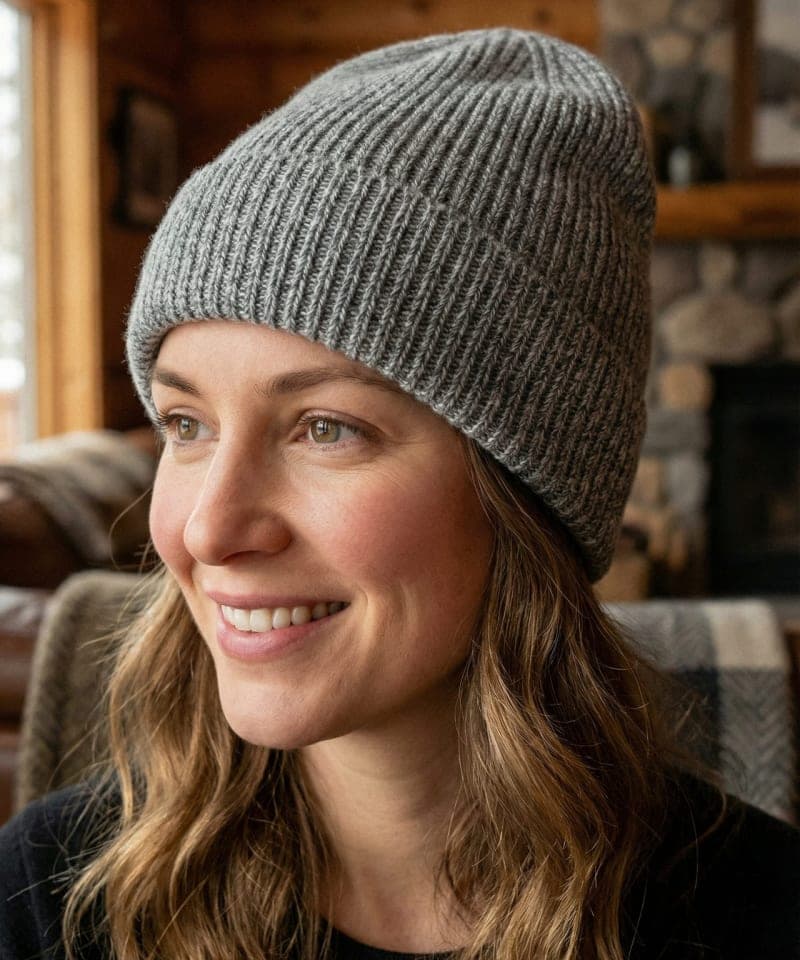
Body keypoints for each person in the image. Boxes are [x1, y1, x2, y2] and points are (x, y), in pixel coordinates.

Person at [0, 27, 798, 960]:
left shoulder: (759, 916)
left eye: (325, 429)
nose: (211, 527)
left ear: (527, 490)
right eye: (188, 425)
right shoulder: (51, 902)